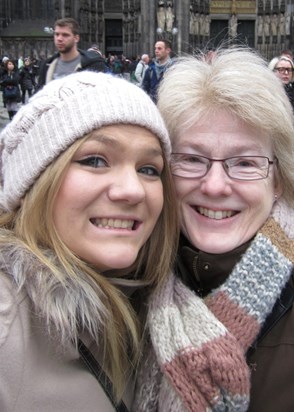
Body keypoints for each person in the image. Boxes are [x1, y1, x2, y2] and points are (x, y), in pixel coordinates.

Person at [0, 71, 178, 411]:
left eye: (149, 169)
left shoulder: (149, 305)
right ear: (33, 183)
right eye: (95, 160)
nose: (132, 190)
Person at [133, 48, 294, 412]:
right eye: (191, 159)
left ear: (278, 179)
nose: (215, 185)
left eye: (245, 162)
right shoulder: (122, 282)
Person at [36, 18, 106, 91]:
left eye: (65, 35)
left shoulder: (93, 65)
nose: (59, 38)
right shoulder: (47, 65)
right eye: (57, 34)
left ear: (76, 38)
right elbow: (38, 95)